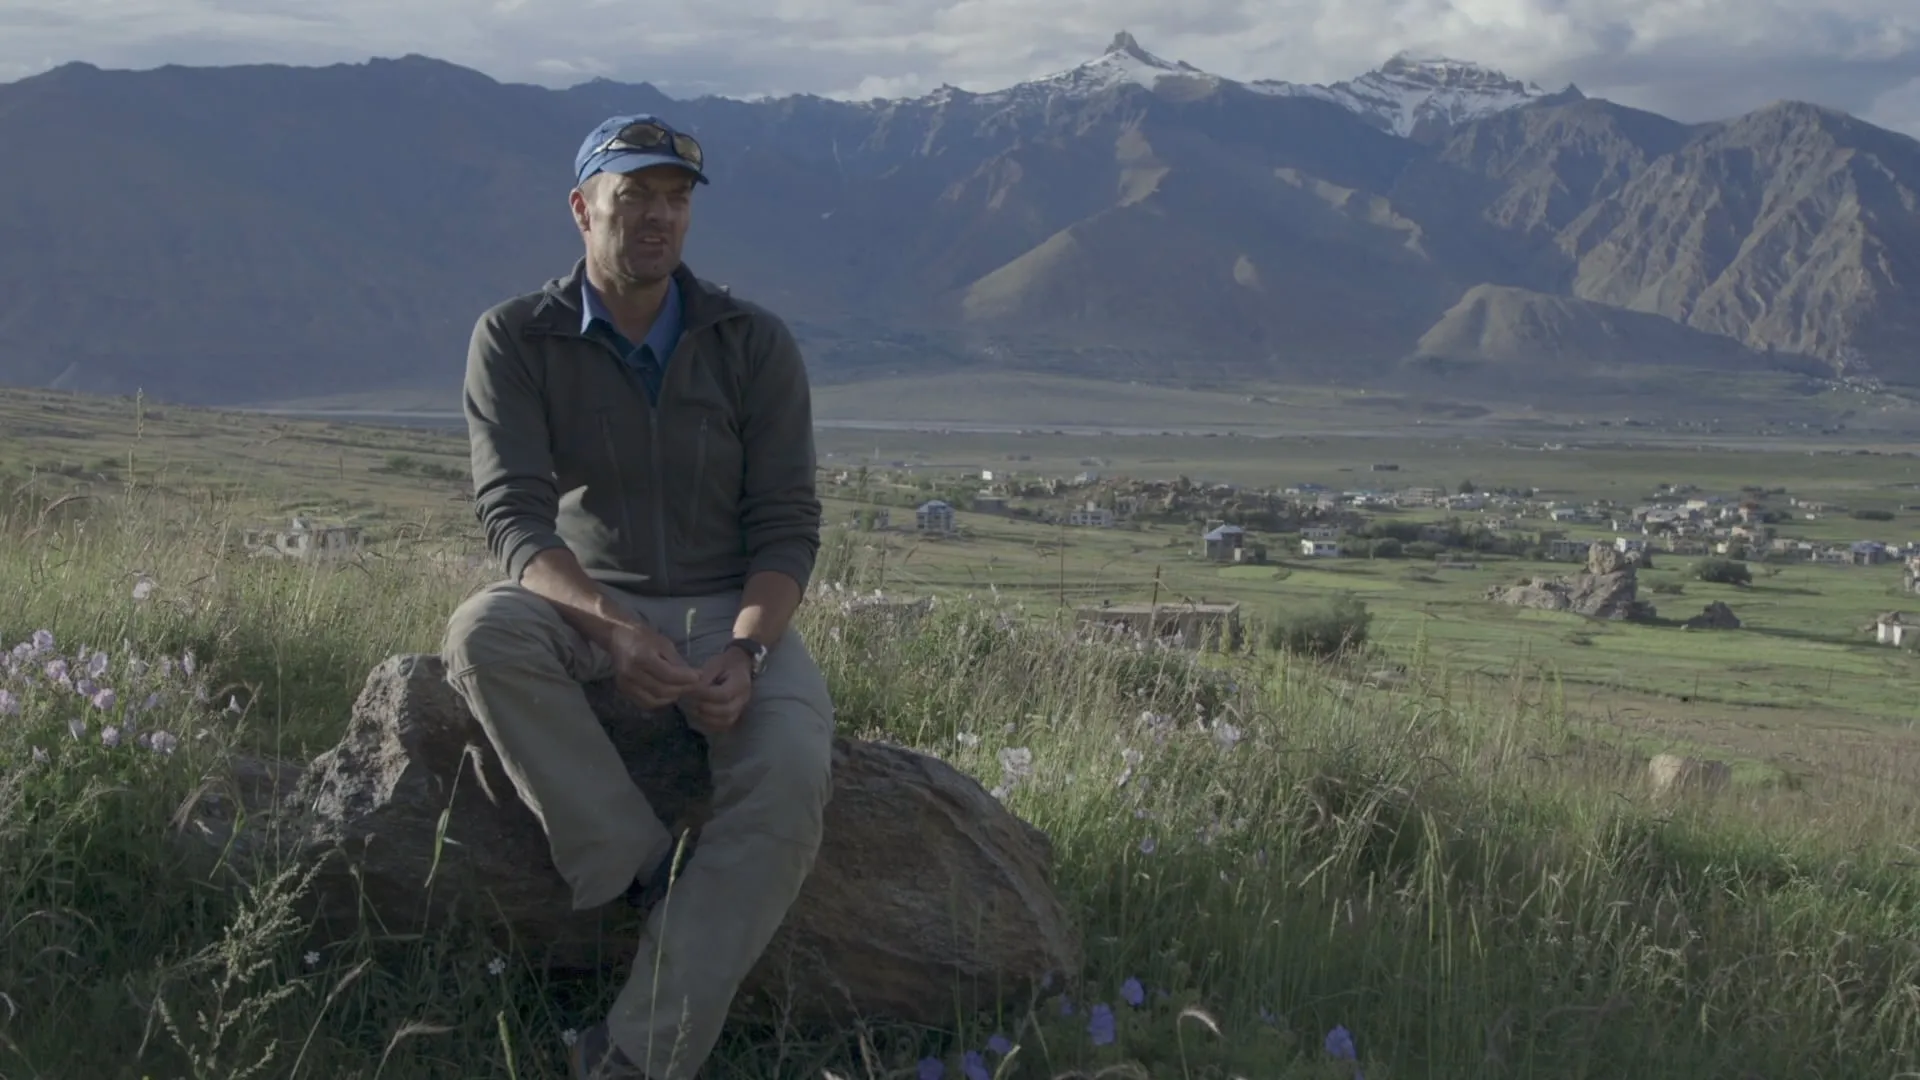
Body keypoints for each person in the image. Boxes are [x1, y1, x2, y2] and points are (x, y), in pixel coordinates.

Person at [440, 112, 835, 1080]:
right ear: (582, 209)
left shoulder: (752, 342)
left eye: (676, 199)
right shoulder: (515, 338)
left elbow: (787, 523)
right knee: (483, 628)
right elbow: (515, 523)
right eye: (634, 197)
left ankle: (630, 1056)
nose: (657, 217)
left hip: (731, 615)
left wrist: (745, 650)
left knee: (787, 775)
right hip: (585, 603)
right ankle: (641, 868)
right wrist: (612, 629)